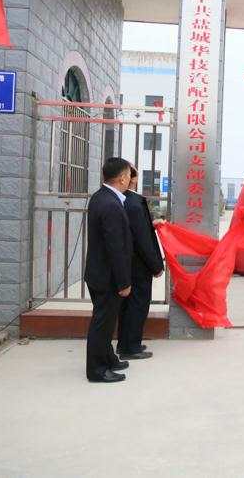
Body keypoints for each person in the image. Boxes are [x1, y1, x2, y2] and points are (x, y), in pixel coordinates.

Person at [84, 157, 133, 383]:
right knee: (102, 324)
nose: (130, 180)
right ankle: (97, 370)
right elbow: (115, 247)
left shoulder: (101, 197)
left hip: (99, 273)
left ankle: (108, 358)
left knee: (106, 321)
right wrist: (124, 282)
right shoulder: (111, 204)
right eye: (128, 175)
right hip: (107, 277)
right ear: (121, 178)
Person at [116, 165, 164, 360]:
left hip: (129, 262)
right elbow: (142, 239)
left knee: (128, 306)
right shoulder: (133, 203)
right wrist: (156, 265)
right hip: (138, 264)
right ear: (131, 179)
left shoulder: (124, 199)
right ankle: (131, 347)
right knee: (137, 305)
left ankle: (125, 343)